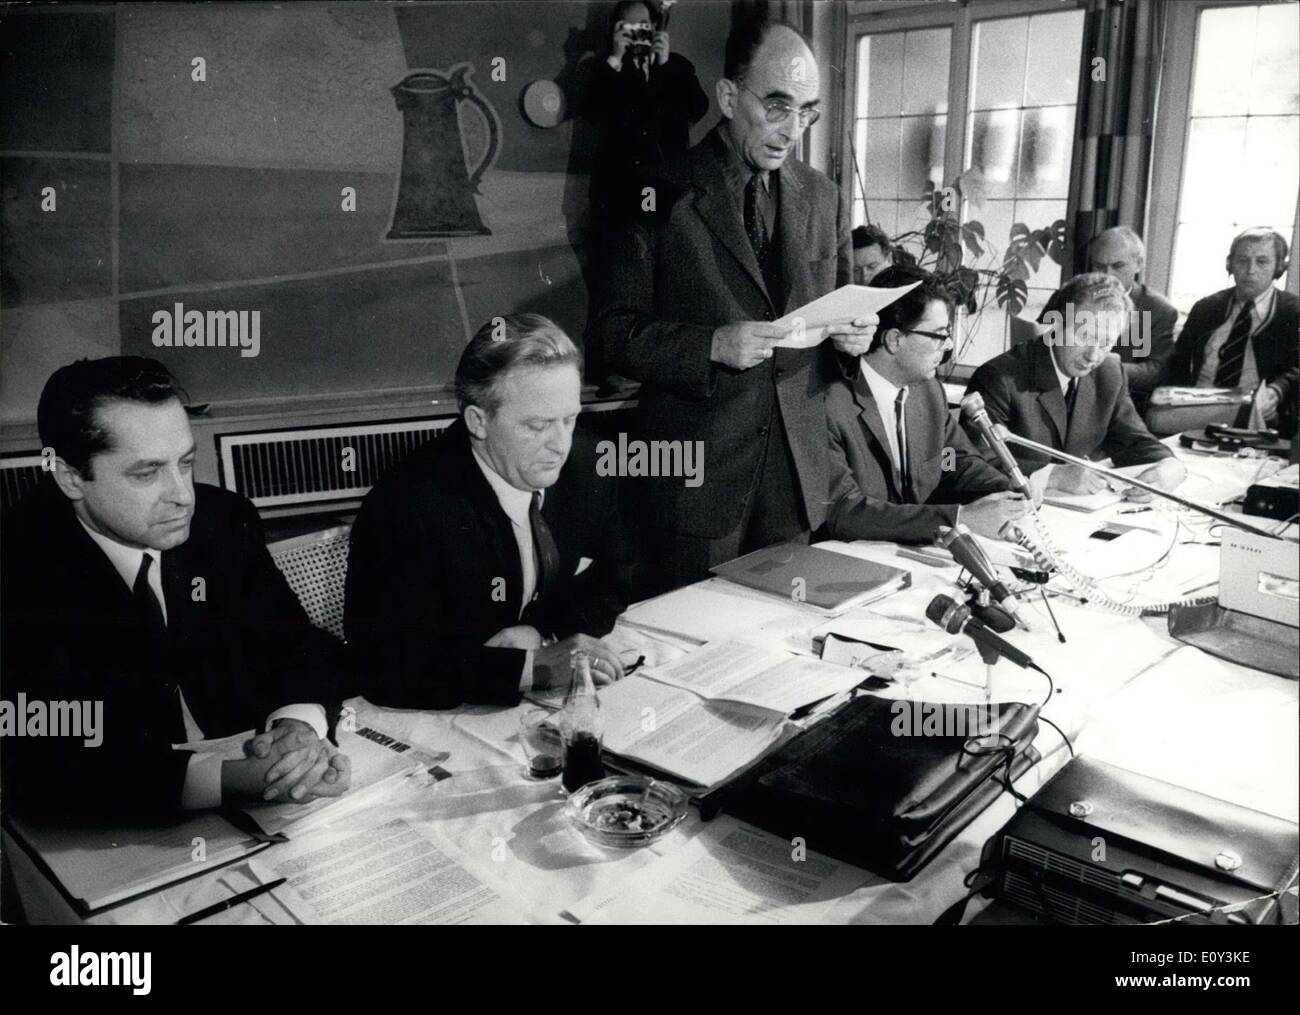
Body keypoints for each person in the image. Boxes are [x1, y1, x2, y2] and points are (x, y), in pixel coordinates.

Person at [590, 14, 876, 596]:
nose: (791, 128)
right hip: (692, 489)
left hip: (796, 489)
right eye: (776, 105)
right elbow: (609, 333)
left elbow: (836, 330)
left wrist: (854, 341)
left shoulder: (823, 198)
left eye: (806, 110)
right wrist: (710, 345)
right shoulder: (653, 188)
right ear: (726, 96)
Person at [1, 357, 350, 822]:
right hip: (112, 829)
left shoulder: (223, 521)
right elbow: (45, 771)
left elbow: (299, 645)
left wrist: (297, 728)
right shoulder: (18, 570)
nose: (183, 495)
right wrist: (240, 778)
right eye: (146, 474)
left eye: (185, 463)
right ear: (70, 477)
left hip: (257, 805)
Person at [346, 314, 631, 710]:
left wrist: (543, 634)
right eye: (537, 425)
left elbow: (615, 578)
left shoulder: (588, 463)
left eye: (570, 419)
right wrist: (529, 668)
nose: (560, 445)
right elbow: (385, 664)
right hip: (449, 712)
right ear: (478, 421)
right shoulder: (407, 505)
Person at [825, 266, 1030, 544]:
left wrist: (1005, 492)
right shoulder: (830, 403)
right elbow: (844, 511)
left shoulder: (929, 392)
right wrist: (959, 518)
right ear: (895, 340)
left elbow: (953, 462)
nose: (947, 347)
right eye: (939, 335)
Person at [968, 273, 1186, 499]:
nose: (1093, 355)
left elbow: (1135, 440)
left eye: (1105, 343)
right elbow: (971, 464)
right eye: (1084, 337)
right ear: (1058, 324)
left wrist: (1171, 467)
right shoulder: (999, 377)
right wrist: (1053, 476)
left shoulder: (1109, 373)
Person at [1163, 227, 1297, 435]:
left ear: (1278, 268)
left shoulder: (1292, 312)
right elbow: (1176, 365)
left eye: (1262, 261)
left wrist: (1278, 391)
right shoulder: (1206, 308)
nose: (1250, 270)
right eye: (1242, 260)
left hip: (1256, 419)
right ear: (1230, 264)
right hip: (1195, 412)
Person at [1038, 226, 1176, 405]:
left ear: (1139, 264)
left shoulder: (1158, 310)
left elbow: (1156, 371)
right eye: (1099, 266)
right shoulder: (1068, 295)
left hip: (1116, 401)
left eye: (1118, 266)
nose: (1108, 275)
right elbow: (1039, 340)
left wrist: (1096, 366)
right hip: (1058, 394)